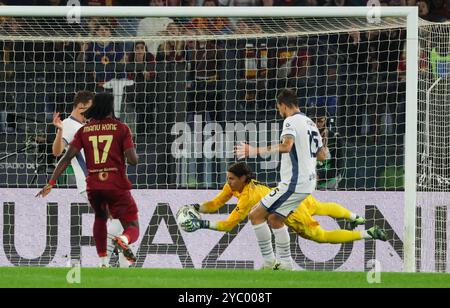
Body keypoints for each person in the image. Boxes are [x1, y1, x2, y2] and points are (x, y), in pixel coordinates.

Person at [235, 89, 387, 271]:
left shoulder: (290, 121)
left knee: (255, 215)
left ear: (283, 105)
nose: (279, 111)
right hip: (308, 182)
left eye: (279, 107)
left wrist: (254, 151)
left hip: (294, 183)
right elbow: (323, 155)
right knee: (275, 219)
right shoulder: (310, 123)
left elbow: (286, 146)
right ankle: (285, 264)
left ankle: (269, 262)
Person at [37, 93, 140, 267]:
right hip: (99, 182)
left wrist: (51, 182)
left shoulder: (85, 128)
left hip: (93, 185)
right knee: (124, 223)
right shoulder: (72, 125)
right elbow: (57, 152)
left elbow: (65, 158)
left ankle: (107, 262)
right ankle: (116, 260)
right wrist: (60, 131)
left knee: (112, 220)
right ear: (81, 106)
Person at [183, 162, 271, 233]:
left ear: (242, 178)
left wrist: (202, 224)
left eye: (231, 178)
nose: (228, 182)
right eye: (228, 178)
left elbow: (228, 225)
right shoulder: (232, 186)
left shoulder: (248, 197)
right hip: (270, 208)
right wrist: (195, 207)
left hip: (281, 207)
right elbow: (215, 204)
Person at [307, 105, 344, 190]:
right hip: (308, 183)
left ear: (326, 121)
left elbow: (338, 166)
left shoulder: (335, 138)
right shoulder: (305, 137)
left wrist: (320, 176)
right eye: (313, 121)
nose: (316, 124)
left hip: (330, 184)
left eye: (320, 121)